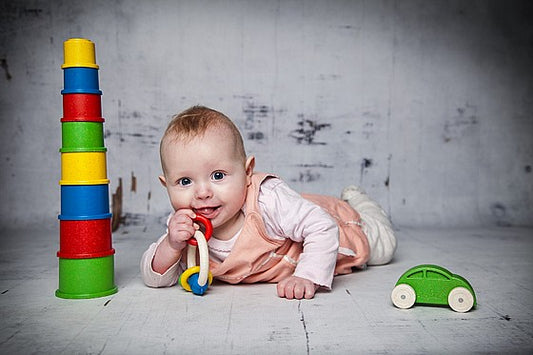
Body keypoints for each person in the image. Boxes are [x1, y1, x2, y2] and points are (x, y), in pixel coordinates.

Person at [140, 106, 397, 299]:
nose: (202, 193)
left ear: (247, 171)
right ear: (167, 185)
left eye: (218, 176)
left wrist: (307, 276)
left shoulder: (268, 199)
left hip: (337, 230)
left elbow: (322, 226)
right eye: (185, 182)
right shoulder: (186, 226)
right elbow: (155, 278)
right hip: (297, 215)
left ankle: (361, 203)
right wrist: (172, 245)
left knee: (382, 247)